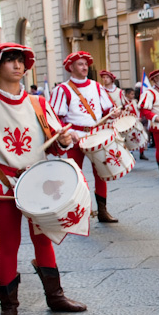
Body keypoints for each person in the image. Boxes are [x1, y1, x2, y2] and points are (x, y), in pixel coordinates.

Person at [0, 43, 86, 315]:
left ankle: (56, 296)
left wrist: (63, 140)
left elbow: (54, 144)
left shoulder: (38, 103)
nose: (18, 66)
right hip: (4, 182)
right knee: (9, 244)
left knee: (43, 240)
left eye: (21, 61)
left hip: (38, 181)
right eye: (10, 61)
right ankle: (8, 310)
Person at [50, 51, 121, 223]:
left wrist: (114, 112)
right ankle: (80, 211)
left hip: (96, 135)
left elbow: (107, 110)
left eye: (85, 64)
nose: (84, 67)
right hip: (75, 137)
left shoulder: (97, 87)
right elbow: (54, 117)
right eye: (80, 64)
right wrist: (66, 132)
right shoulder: (62, 89)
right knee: (76, 175)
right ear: (71, 68)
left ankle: (103, 211)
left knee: (101, 173)